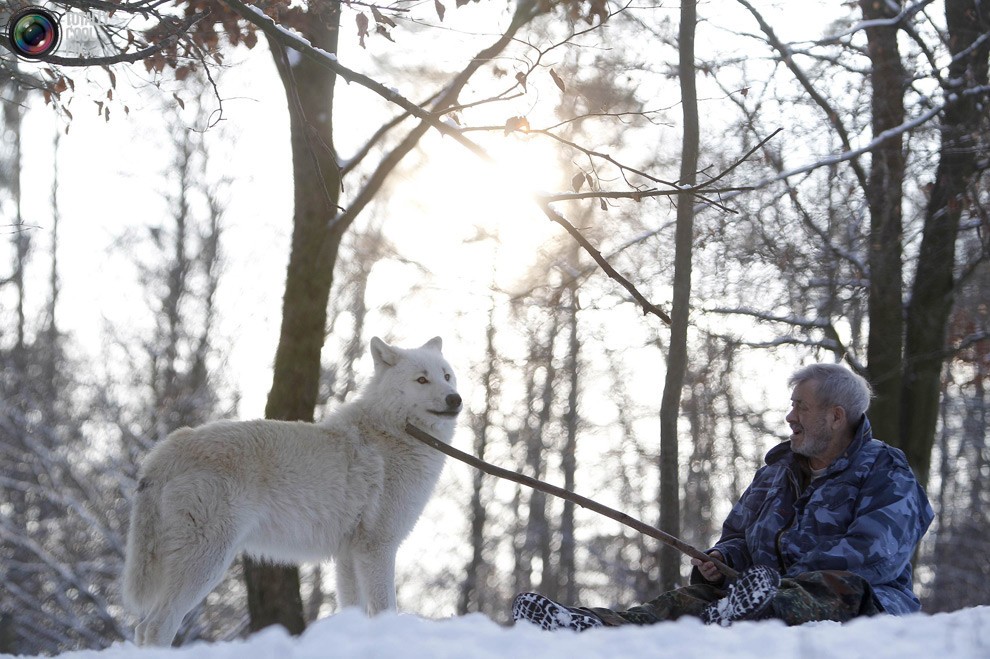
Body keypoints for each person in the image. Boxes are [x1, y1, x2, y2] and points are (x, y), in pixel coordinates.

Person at [512, 363, 934, 630]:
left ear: (835, 416)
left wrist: (773, 582)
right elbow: (737, 538)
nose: (790, 417)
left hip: (864, 605)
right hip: (750, 594)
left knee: (827, 588)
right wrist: (723, 563)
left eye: (800, 407)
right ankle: (591, 626)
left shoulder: (885, 471)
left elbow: (873, 558)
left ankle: (742, 612)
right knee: (682, 602)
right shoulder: (775, 474)